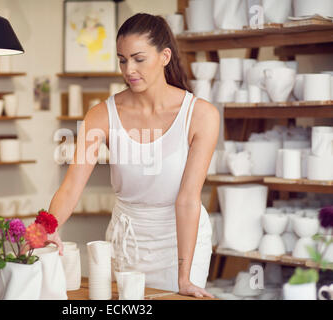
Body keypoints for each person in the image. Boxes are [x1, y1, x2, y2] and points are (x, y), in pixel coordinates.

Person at [47, 13, 219, 298]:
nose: (129, 69)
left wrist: (184, 278)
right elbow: (71, 187)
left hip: (181, 243)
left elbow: (188, 200)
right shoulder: (102, 114)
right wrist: (46, 228)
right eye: (122, 60)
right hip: (125, 240)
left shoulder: (200, 115)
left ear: (164, 56)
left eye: (139, 59)